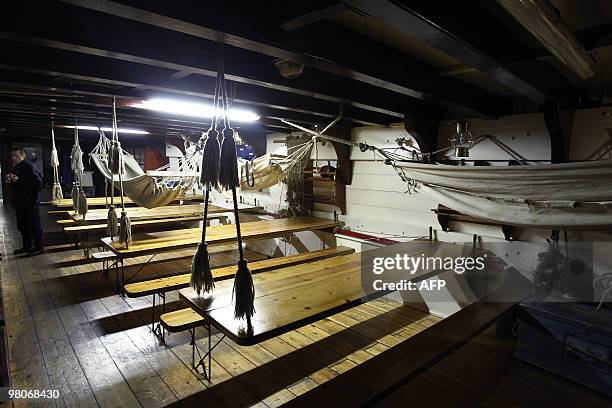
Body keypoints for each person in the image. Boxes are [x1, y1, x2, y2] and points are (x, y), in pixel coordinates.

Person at [6, 147, 43, 255]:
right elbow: (17, 184)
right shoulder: (16, 167)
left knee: (34, 225)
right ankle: (27, 246)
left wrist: (18, 180)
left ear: (23, 156)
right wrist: (11, 180)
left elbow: (38, 184)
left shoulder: (29, 166)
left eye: (16, 156)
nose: (13, 158)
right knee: (23, 226)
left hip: (30, 202)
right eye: (12, 156)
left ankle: (38, 248)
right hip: (20, 202)